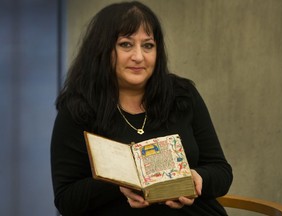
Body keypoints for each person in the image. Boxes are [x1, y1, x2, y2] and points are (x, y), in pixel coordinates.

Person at [50, 1, 233, 216]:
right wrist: (118, 185)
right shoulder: (78, 109)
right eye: (126, 44)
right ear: (102, 49)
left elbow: (221, 172)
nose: (138, 56)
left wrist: (197, 178)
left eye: (148, 45)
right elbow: (67, 200)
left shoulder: (182, 96)